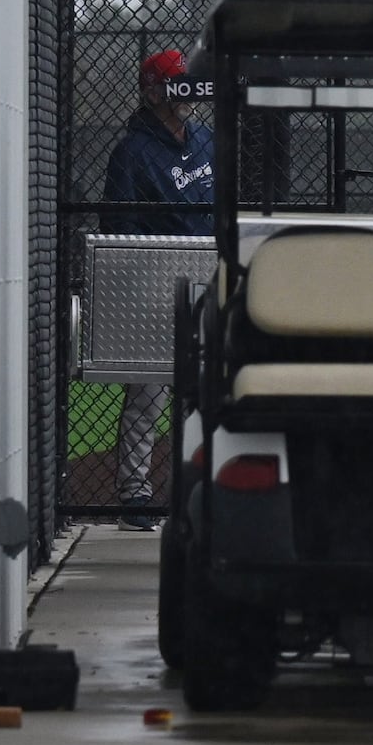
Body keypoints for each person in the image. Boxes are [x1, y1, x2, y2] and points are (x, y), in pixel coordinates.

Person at [99, 49, 214, 510]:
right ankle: (135, 492)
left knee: (205, 391)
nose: (183, 93)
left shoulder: (205, 138)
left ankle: (199, 488)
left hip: (207, 273)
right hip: (156, 280)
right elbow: (119, 226)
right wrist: (141, 272)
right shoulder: (133, 152)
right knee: (148, 392)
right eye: (173, 84)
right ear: (152, 91)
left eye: (186, 83)